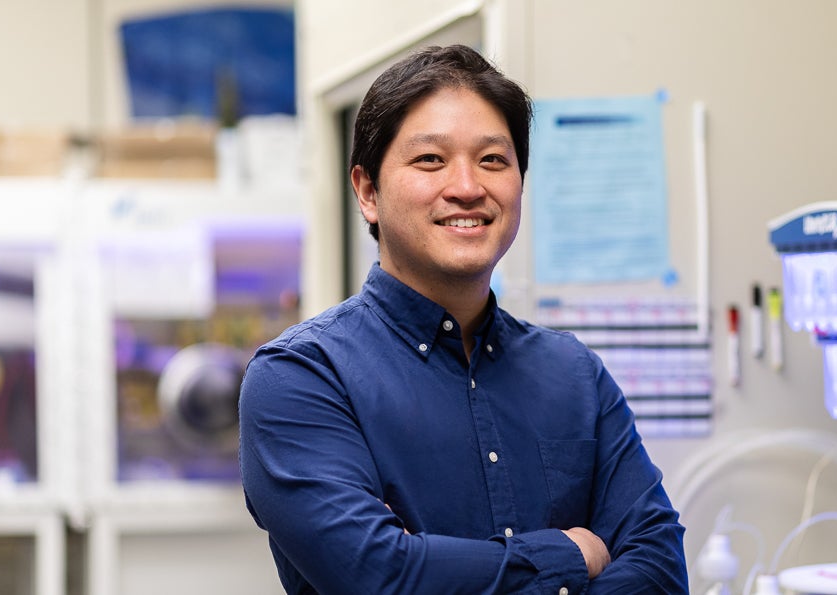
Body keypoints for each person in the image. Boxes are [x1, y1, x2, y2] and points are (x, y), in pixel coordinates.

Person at [239, 44, 688, 594]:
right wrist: (571, 553)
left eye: (493, 160)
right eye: (431, 159)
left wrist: (436, 565)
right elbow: (382, 576)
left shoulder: (574, 374)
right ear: (368, 191)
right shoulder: (302, 377)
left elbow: (660, 567)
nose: (468, 187)